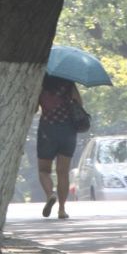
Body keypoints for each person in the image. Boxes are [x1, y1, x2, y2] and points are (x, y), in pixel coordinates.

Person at [37, 74, 83, 220]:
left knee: (44, 170)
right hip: (68, 131)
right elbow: (79, 104)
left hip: (47, 130)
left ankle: (50, 195)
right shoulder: (69, 82)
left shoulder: (41, 84)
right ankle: (62, 210)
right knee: (63, 172)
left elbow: (32, 108)